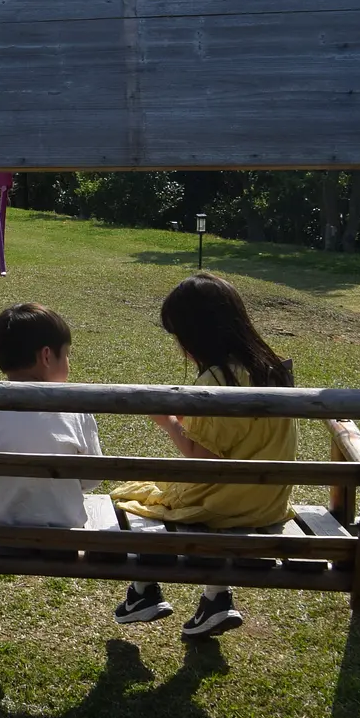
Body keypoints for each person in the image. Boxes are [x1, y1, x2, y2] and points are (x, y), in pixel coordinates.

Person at [110, 272, 296, 638]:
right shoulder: (269, 369)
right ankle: (215, 599)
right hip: (268, 500)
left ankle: (143, 591)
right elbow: (239, 438)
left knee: (135, 498)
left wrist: (167, 423)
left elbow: (202, 457)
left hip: (227, 501)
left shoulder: (218, 382)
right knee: (160, 495)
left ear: (196, 334)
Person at [0, 303, 103, 529]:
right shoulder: (76, 408)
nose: (68, 363)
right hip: (62, 536)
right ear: (47, 356)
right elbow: (92, 478)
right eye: (67, 355)